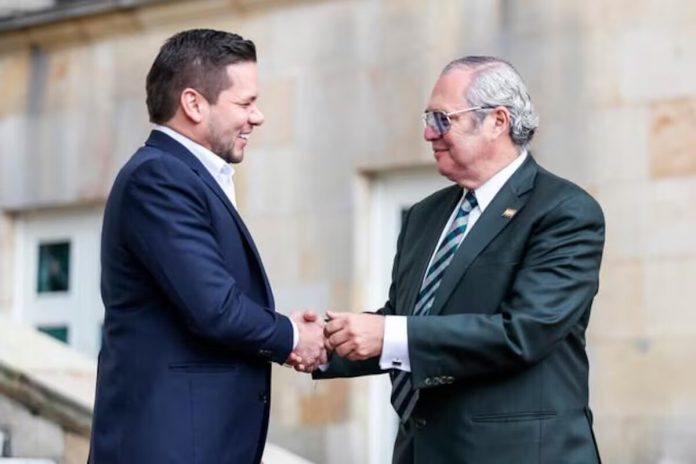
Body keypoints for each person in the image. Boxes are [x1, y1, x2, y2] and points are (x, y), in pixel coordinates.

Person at [317, 56, 605, 463]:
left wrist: (388, 333)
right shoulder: (425, 215)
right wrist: (314, 341)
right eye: (427, 119)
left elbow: (523, 332)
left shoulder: (564, 211)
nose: (427, 133)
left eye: (441, 119)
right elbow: (405, 319)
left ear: (497, 121)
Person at [89, 29, 325, 464]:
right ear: (194, 104)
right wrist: (293, 336)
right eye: (245, 103)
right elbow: (214, 308)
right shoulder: (158, 177)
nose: (258, 117)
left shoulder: (184, 175)